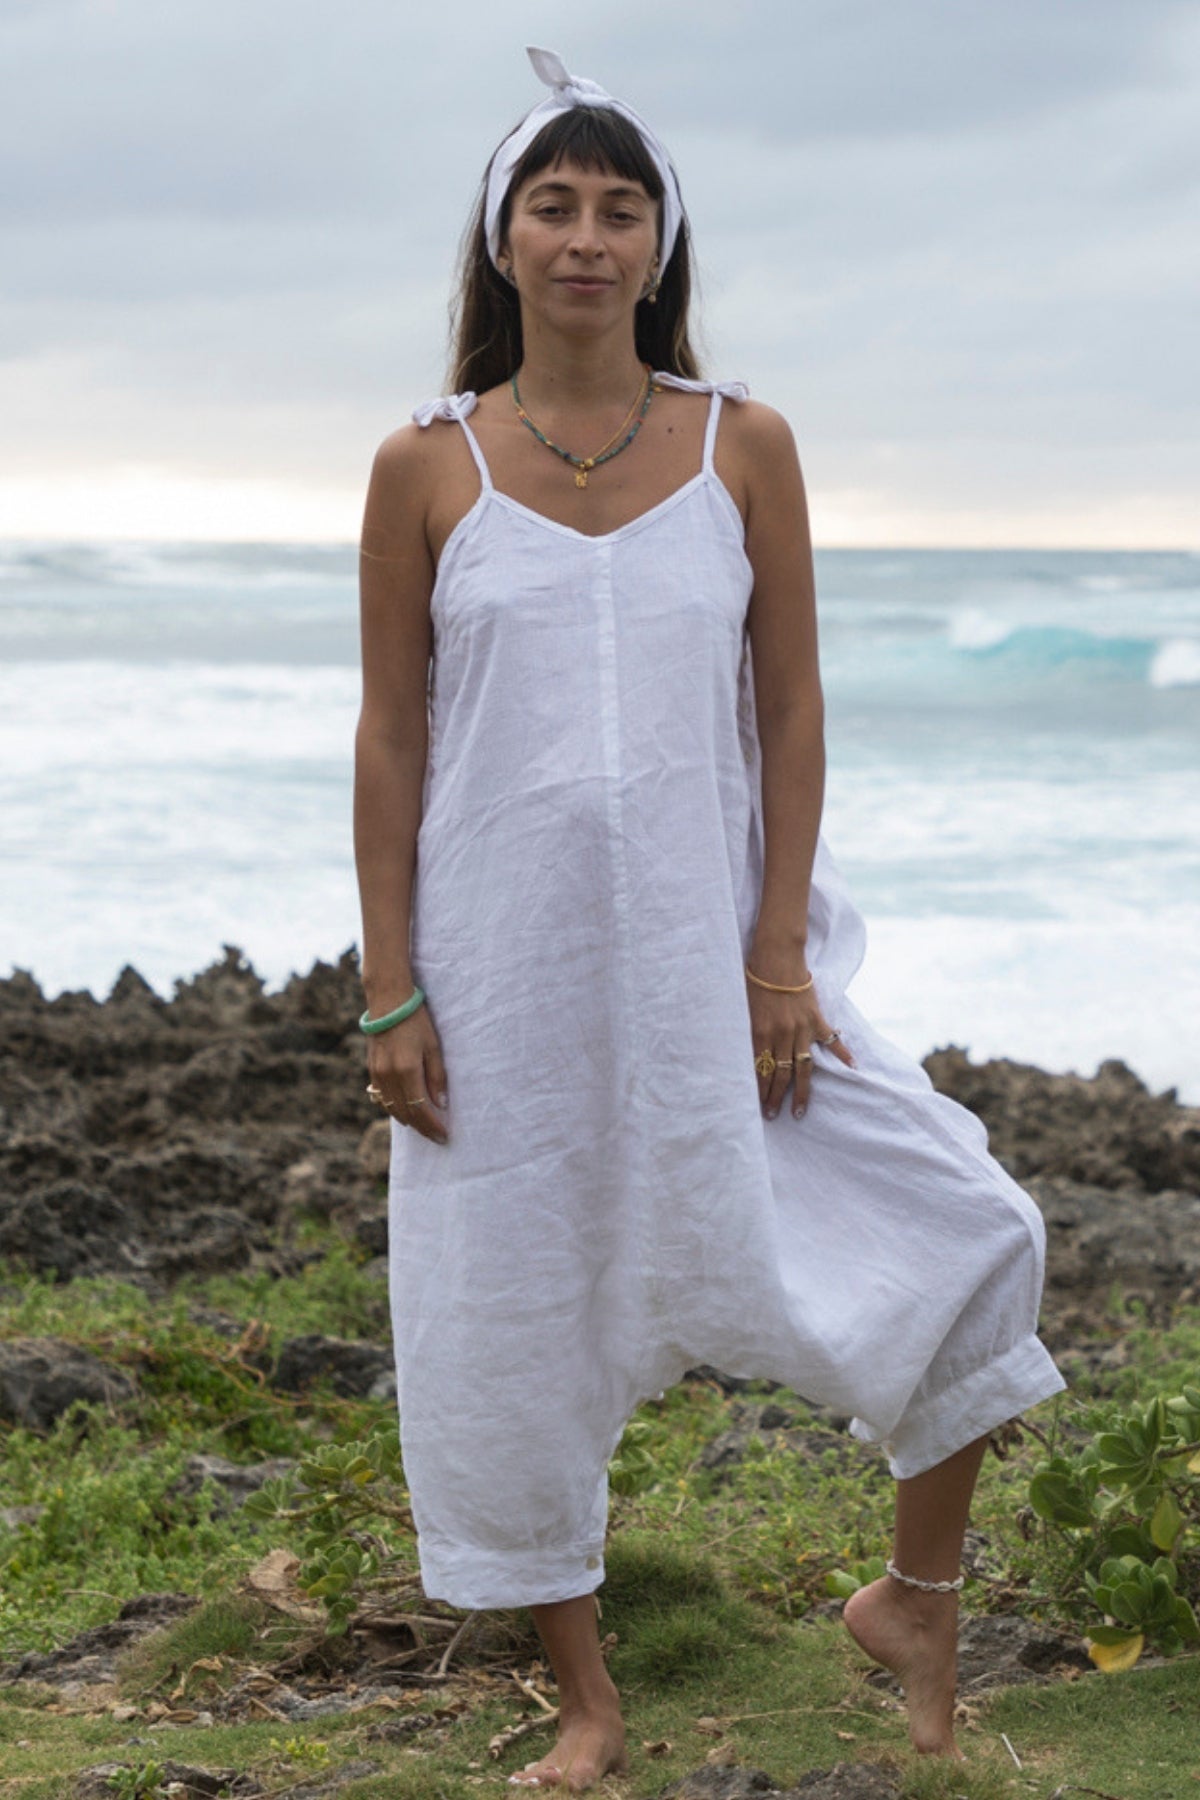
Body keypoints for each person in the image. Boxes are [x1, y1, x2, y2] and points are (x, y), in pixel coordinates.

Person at [353, 45, 1067, 1790]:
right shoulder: (423, 466)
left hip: (718, 970)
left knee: (968, 1221)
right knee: (509, 1315)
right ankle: (587, 1702)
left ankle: (915, 1595)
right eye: (555, 206)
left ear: (660, 243)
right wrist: (389, 989)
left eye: (621, 208)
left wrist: (773, 958)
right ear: (503, 241)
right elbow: (390, 732)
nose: (588, 237)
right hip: (502, 976)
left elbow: (797, 708)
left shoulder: (745, 442)